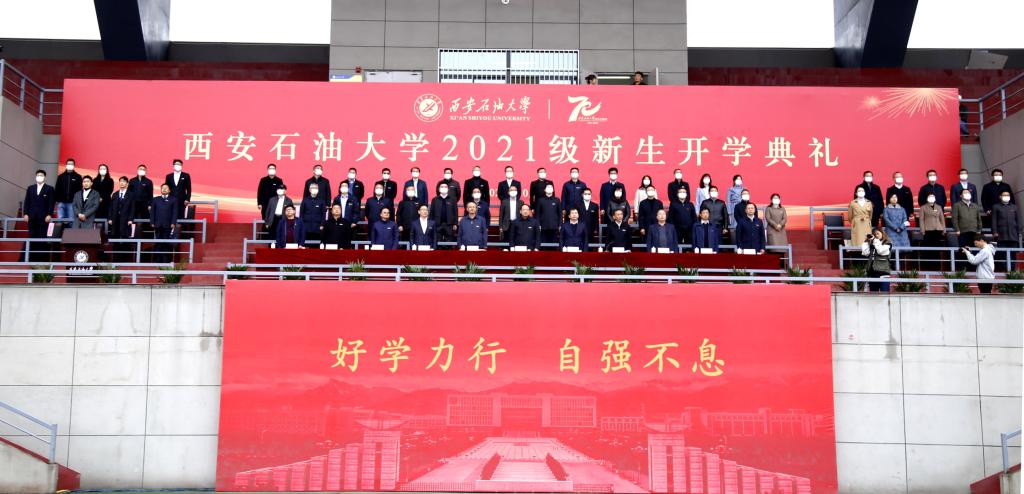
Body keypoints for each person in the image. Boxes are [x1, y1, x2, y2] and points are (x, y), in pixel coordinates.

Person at [23, 170, 55, 241]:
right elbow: (27, 201)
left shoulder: (49, 188)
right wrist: (25, 213)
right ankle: (32, 248)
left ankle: (41, 248)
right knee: (32, 235)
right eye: (38, 175)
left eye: (41, 175)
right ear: (35, 177)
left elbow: (51, 203)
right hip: (32, 216)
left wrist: (49, 214)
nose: (39, 177)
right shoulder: (30, 188)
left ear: (45, 177)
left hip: (44, 217)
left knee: (42, 236)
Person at [918, 192, 947, 271]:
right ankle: (928, 267)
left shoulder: (939, 207)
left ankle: (937, 267)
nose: (931, 198)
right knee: (928, 249)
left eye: (933, 196)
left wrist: (944, 229)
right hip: (928, 230)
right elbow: (921, 219)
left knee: (936, 249)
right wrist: (922, 230)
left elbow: (942, 219)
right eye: (930, 196)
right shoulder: (923, 207)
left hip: (938, 230)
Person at [151, 184, 179, 262]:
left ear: (169, 190)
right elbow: (152, 212)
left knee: (166, 242)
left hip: (168, 224)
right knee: (158, 242)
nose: (164, 189)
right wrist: (152, 222)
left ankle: (166, 261)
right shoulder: (155, 199)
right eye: (162, 188)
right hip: (157, 224)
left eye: (166, 188)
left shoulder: (173, 199)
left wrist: (173, 223)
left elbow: (175, 212)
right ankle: (157, 260)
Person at [862, 228, 892, 292]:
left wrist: (875, 240)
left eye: (878, 233)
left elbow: (880, 251)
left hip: (883, 273)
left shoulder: (887, 243)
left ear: (882, 233)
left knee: (884, 295)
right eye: (875, 234)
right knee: (873, 295)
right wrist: (866, 241)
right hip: (872, 273)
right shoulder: (873, 243)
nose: (876, 235)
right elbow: (865, 253)